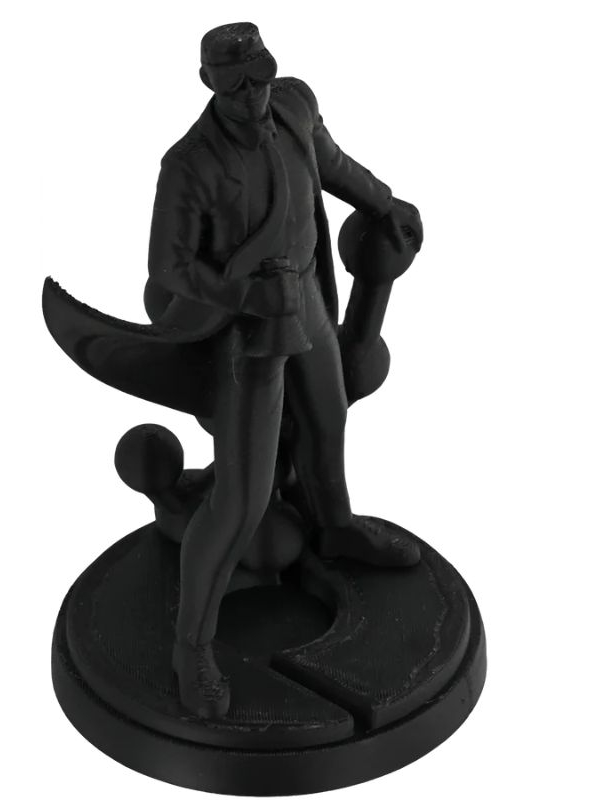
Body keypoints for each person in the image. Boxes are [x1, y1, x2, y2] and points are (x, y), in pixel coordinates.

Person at [144, 22, 424, 718]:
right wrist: (244, 295)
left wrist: (384, 202)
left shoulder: (294, 104)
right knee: (241, 499)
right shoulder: (189, 165)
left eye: (259, 77)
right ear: (210, 84)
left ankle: (336, 527)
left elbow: (331, 164)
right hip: (246, 338)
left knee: (328, 423)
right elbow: (169, 268)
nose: (252, 95)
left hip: (307, 305)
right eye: (235, 85)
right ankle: (191, 646)